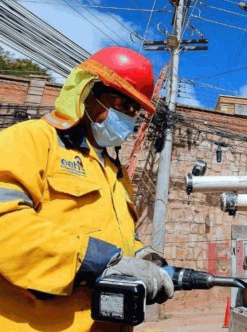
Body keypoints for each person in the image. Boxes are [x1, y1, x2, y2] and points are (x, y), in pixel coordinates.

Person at [0, 47, 174, 331]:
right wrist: (105, 262)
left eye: (134, 110)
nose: (128, 117)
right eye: (121, 103)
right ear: (86, 92)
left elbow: (116, 236)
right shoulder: (32, 139)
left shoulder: (114, 172)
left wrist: (142, 257)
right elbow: (4, 223)